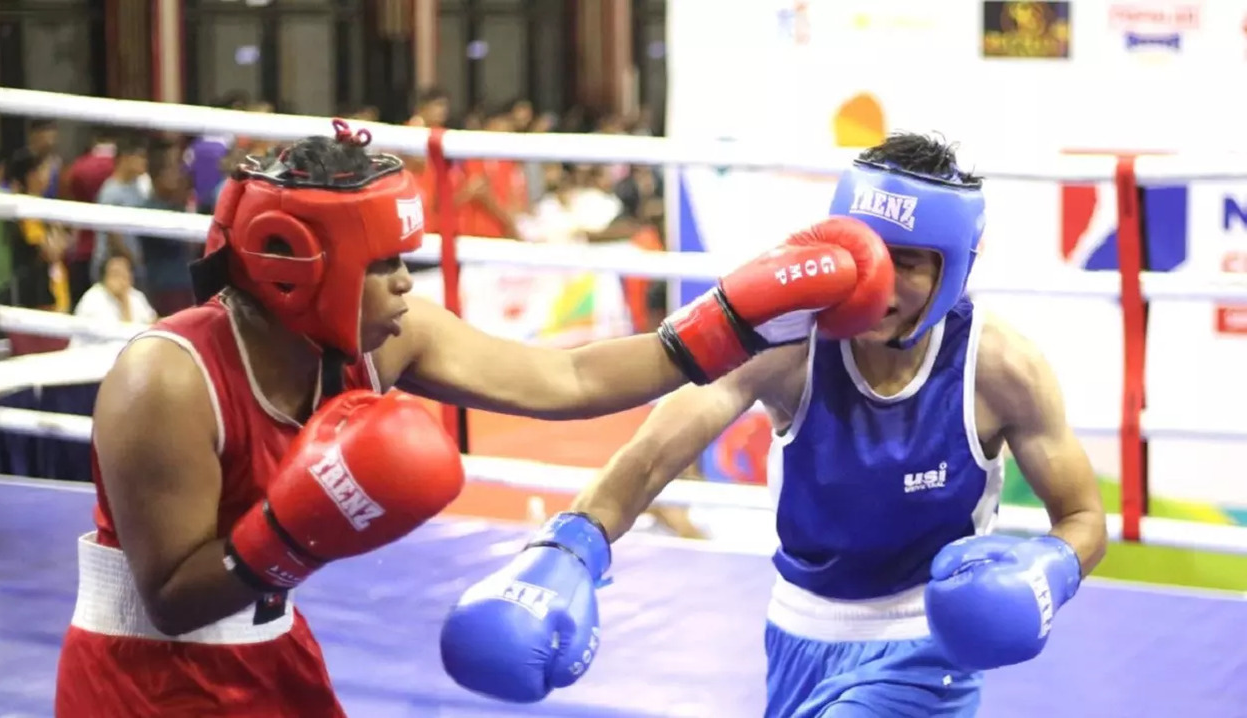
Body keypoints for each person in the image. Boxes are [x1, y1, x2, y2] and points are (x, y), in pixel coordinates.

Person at [53, 118, 895, 717]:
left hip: (272, 653)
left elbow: (563, 378)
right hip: (141, 683)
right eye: (381, 264)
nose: (405, 285)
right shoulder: (165, 381)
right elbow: (170, 601)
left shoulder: (383, 337)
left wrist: (727, 324)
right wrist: (299, 530)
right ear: (295, 270)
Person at [439, 133, 1109, 717]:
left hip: (927, 643)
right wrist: (573, 544)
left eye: (909, 263)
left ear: (953, 268)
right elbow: (654, 452)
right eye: (872, 251)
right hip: (797, 631)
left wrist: (1048, 569)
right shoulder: (789, 343)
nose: (883, 280)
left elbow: (1082, 516)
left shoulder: (999, 367)